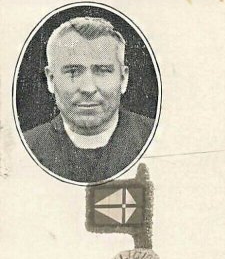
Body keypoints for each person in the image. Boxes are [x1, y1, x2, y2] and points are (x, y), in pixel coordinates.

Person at [23, 16, 154, 184]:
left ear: (123, 78)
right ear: (50, 79)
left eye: (102, 71)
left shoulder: (155, 138)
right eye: (73, 71)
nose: (88, 88)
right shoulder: (25, 147)